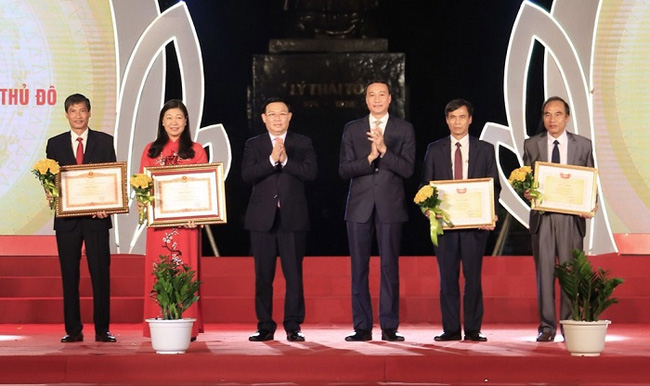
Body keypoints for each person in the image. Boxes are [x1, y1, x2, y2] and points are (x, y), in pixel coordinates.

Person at [339, 80, 416, 342]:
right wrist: (370, 158)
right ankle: (362, 326)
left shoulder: (404, 129)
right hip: (359, 206)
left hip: (390, 205)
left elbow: (407, 169)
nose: (377, 99)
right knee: (359, 267)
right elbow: (344, 169)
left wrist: (384, 150)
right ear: (366, 100)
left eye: (381, 94)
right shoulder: (352, 129)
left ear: (390, 98)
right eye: (371, 95)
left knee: (388, 267)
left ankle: (389, 326)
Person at [420, 98, 500, 342]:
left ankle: (473, 329)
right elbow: (425, 185)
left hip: (475, 225)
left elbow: (493, 186)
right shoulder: (434, 150)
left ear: (470, 119)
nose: (457, 122)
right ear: (447, 120)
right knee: (447, 279)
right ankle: (451, 329)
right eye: (452, 117)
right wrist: (428, 209)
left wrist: (490, 212)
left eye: (462, 117)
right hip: (445, 226)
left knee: (473, 278)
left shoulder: (485, 149)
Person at [242, 97, 317, 342]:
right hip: (261, 219)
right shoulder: (254, 145)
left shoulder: (302, 142)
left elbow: (310, 173)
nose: (277, 118)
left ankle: (293, 325)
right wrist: (271, 160)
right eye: (271, 114)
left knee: (293, 275)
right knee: (263, 276)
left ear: (289, 116)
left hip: (292, 218)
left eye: (281, 113)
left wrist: (285, 160)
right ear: (263, 118)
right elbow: (247, 174)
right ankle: (264, 325)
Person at [44, 93, 117, 343]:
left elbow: (110, 179)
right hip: (67, 221)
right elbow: (50, 179)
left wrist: (107, 204)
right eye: (73, 111)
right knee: (69, 274)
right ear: (66, 115)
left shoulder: (105, 142)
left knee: (100, 274)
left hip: (97, 219)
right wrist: (51, 194)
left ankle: (102, 329)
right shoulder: (54, 143)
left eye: (82, 110)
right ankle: (73, 330)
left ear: (89, 113)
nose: (78, 116)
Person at [523, 96, 595, 342]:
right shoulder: (532, 145)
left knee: (570, 272)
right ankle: (547, 327)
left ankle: (569, 323)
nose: (551, 120)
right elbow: (526, 180)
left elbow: (590, 182)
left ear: (567, 116)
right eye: (546, 114)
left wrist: (590, 203)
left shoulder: (583, 145)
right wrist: (526, 191)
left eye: (557, 114)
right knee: (544, 273)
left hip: (571, 219)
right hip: (543, 218)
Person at [139, 99, 207, 340]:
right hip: (160, 225)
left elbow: (202, 189)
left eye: (178, 117)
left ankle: (186, 325)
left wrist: (197, 215)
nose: (174, 122)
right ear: (162, 121)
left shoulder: (196, 151)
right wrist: (144, 205)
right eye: (169, 117)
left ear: (186, 121)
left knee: (184, 269)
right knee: (160, 270)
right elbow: (142, 187)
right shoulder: (151, 150)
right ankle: (158, 322)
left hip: (186, 224)